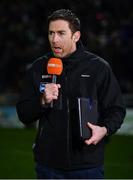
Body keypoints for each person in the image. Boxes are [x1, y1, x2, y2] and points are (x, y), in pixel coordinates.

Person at [16, 9, 126, 179]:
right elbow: (23, 114)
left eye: (61, 33)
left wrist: (104, 129)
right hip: (48, 166)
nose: (54, 39)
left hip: (87, 165)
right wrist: (43, 101)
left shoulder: (98, 67)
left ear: (76, 36)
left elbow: (116, 109)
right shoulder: (38, 67)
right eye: (51, 33)